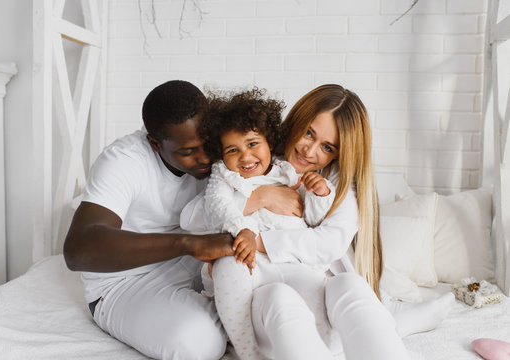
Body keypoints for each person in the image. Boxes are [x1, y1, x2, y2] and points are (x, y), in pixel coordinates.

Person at [183, 84, 453, 360]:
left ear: (338, 153)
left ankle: (386, 320)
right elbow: (194, 218)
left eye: (326, 146)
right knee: (281, 298)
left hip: (317, 302)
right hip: (267, 306)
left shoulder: (331, 182)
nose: (309, 151)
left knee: (350, 285)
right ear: (296, 120)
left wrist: (259, 240)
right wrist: (260, 197)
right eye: (308, 133)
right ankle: (389, 317)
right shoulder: (251, 154)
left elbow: (329, 243)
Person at [62, 80, 236, 360]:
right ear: (155, 144)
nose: (205, 157)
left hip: (194, 263)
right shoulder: (123, 160)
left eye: (208, 143)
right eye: (188, 151)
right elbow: (78, 249)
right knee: (199, 345)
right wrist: (189, 243)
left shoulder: (220, 144)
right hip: (124, 283)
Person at [181, 88, 336, 360]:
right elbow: (217, 207)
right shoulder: (224, 176)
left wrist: (320, 193)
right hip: (249, 259)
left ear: (269, 141)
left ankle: (323, 347)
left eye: (253, 144)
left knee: (316, 289)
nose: (245, 156)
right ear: (221, 154)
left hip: (289, 262)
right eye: (232, 150)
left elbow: (311, 217)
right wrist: (244, 229)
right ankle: (246, 350)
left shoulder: (286, 170)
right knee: (228, 270)